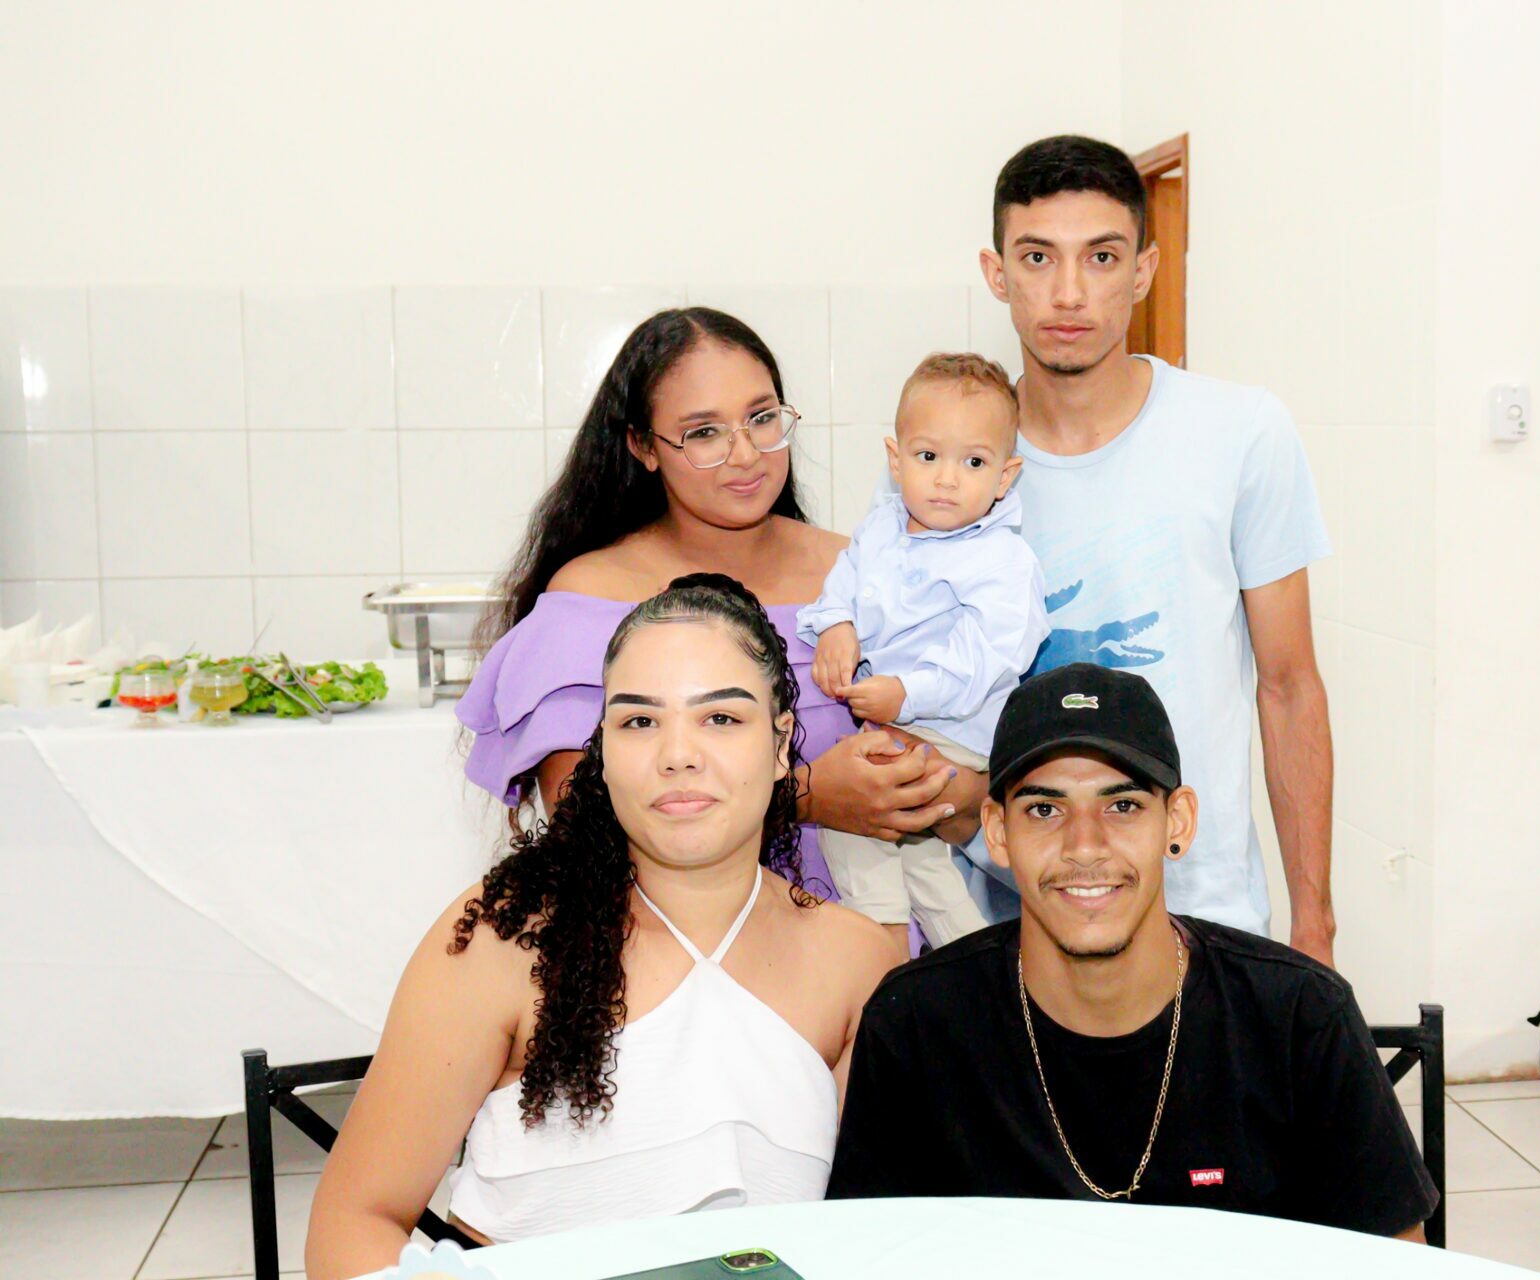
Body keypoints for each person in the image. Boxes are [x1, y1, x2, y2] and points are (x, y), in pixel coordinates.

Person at [307, 578, 901, 1280]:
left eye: (720, 718)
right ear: (604, 752)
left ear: (780, 747)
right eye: (639, 721)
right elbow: (352, 1225)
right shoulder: (505, 940)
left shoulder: (856, 960)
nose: (677, 754)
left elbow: (877, 1232)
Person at [826, 663, 1435, 1240]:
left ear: (1178, 822)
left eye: (1122, 806)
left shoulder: (1300, 1015)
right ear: (999, 831)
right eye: (1044, 809)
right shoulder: (916, 1024)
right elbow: (867, 1257)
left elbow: (1395, 1260)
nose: (1085, 846)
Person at [456, 306, 980, 901]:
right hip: (676, 938)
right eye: (704, 432)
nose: (746, 454)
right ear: (643, 446)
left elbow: (971, 759)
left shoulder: (864, 570)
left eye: (761, 418)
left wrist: (944, 789)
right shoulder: (590, 599)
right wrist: (805, 796)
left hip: (879, 934)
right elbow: (582, 820)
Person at [963, 135, 1337, 961]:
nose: (1068, 292)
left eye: (1101, 257)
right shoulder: (952, 465)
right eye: (1037, 257)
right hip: (1002, 922)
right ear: (997, 274)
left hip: (1203, 916)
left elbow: (1289, 687)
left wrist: (1314, 924)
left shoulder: (1240, 433)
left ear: (1143, 270)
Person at [799, 353, 1048, 952]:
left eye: (974, 462)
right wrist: (836, 626)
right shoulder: (881, 528)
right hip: (906, 722)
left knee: (857, 815)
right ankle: (970, 960)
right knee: (923, 859)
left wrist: (907, 693)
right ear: (896, 459)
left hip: (954, 727)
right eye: (928, 456)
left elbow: (988, 657)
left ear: (1005, 476)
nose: (946, 479)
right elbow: (843, 583)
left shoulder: (1002, 560)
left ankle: (883, 949)